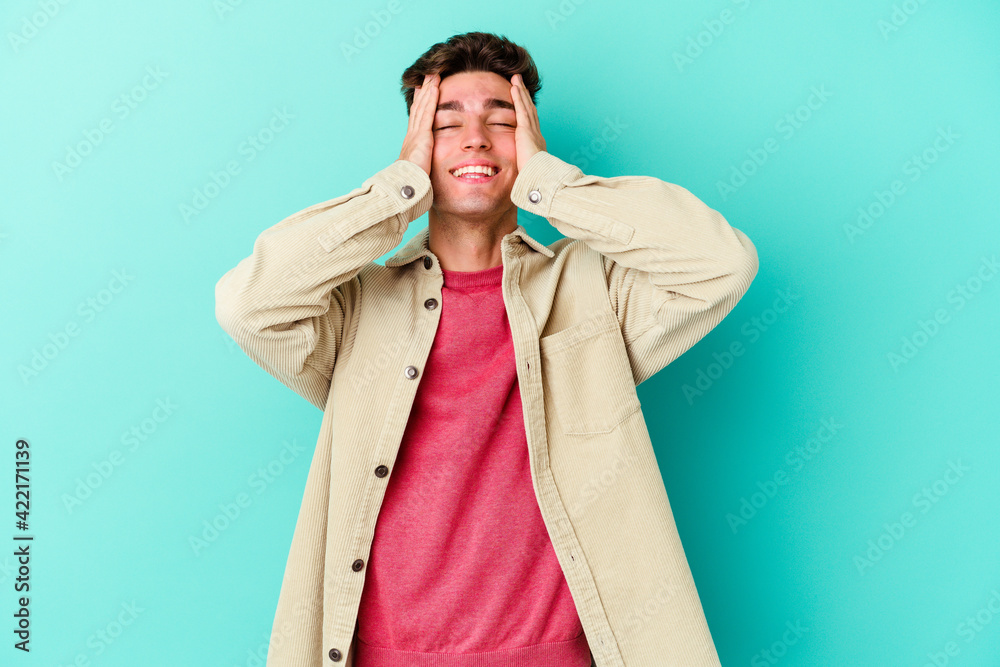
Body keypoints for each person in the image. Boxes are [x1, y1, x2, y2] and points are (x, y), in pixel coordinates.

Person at [215, 31, 758, 667]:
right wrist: (395, 192)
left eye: (501, 121)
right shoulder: (358, 306)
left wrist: (554, 186)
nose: (475, 139)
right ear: (416, 148)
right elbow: (247, 305)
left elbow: (722, 264)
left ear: (528, 143)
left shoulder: (589, 288)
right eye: (447, 125)